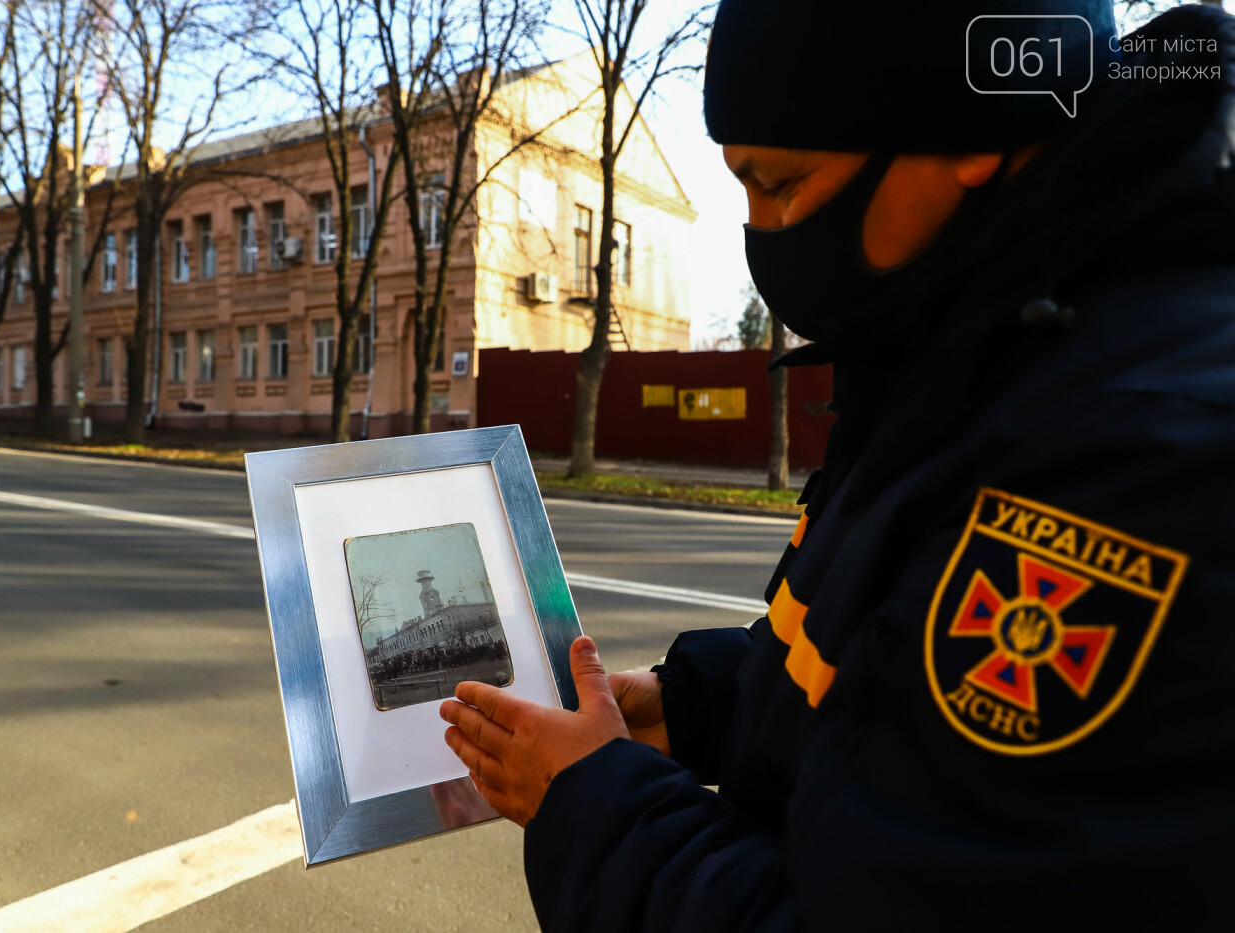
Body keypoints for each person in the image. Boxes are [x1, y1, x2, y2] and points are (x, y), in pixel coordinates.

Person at [440, 0, 1235, 928]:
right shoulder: (978, 333)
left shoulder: (1137, 458)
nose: (759, 233)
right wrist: (694, 711)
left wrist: (589, 801)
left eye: (780, 185)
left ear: (969, 133)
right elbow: (885, 649)